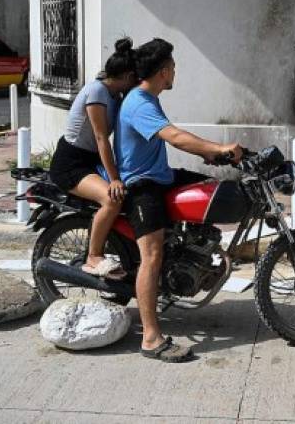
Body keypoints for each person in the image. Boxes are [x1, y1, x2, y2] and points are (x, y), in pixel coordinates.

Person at [115, 37, 242, 362]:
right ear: (161, 71)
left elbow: (175, 137)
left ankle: (192, 255)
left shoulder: (149, 98)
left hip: (161, 176)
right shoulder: (139, 102)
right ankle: (151, 339)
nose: (175, 71)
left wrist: (216, 159)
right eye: (172, 66)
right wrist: (217, 148)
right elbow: (174, 136)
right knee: (152, 257)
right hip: (142, 186)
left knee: (208, 187)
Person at [47, 37, 138, 279]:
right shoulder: (97, 90)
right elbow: (100, 139)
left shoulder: (115, 96)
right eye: (136, 78)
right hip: (72, 163)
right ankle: (93, 256)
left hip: (90, 161)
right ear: (128, 76)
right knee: (112, 199)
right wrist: (115, 178)